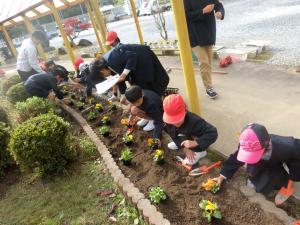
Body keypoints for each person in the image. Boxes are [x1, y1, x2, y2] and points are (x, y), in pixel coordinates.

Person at [212, 123, 300, 196]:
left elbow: (297, 160)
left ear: (266, 144)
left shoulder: (287, 146)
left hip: (275, 161)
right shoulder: (246, 144)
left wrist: (293, 177)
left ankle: (280, 180)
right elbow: (235, 159)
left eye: (252, 153)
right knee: (253, 175)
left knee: (271, 183)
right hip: (261, 161)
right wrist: (222, 177)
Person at [91, 31, 169, 97]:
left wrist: (124, 74)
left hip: (144, 58)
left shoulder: (112, 58)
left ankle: (157, 99)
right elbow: (119, 80)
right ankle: (154, 98)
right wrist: (123, 95)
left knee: (149, 83)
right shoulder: (108, 66)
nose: (106, 76)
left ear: (102, 71)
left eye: (104, 76)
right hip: (137, 65)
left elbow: (132, 56)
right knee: (139, 86)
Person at [184, 0, 225, 99]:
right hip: (195, 36)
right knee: (204, 62)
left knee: (208, 63)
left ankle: (208, 83)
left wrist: (220, 12)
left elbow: (219, 5)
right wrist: (202, 11)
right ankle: (208, 88)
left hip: (209, 34)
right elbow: (185, 16)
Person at [163, 94, 218, 165]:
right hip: (183, 137)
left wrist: (196, 143)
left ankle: (200, 152)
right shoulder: (168, 121)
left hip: (195, 142)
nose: (175, 123)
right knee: (175, 135)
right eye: (172, 120)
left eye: (178, 119)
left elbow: (213, 132)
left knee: (190, 158)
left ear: (185, 111)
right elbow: (171, 133)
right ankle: (181, 144)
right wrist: (185, 148)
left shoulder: (195, 121)